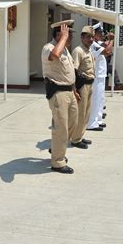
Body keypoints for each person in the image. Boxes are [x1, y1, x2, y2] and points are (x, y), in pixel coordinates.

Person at [41, 20, 79, 174]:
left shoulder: (65, 49)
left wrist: (74, 89)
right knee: (61, 128)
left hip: (69, 92)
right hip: (58, 93)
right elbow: (54, 56)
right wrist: (63, 38)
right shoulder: (48, 48)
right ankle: (57, 162)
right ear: (59, 34)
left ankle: (56, 147)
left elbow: (69, 72)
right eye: (68, 34)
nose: (70, 37)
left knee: (73, 124)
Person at [70, 26, 96, 148]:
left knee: (86, 113)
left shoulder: (88, 50)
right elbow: (73, 71)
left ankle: (80, 135)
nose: (91, 39)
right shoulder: (78, 51)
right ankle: (75, 139)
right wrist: (74, 90)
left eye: (92, 37)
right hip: (82, 85)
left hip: (90, 84)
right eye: (88, 37)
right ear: (82, 37)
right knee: (80, 113)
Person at [87, 25, 113, 131]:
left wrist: (109, 40)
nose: (102, 35)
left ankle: (97, 120)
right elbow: (107, 51)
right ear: (95, 33)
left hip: (101, 76)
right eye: (100, 33)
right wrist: (111, 39)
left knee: (100, 100)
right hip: (96, 76)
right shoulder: (93, 44)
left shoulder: (97, 43)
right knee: (95, 100)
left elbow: (105, 45)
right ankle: (91, 124)